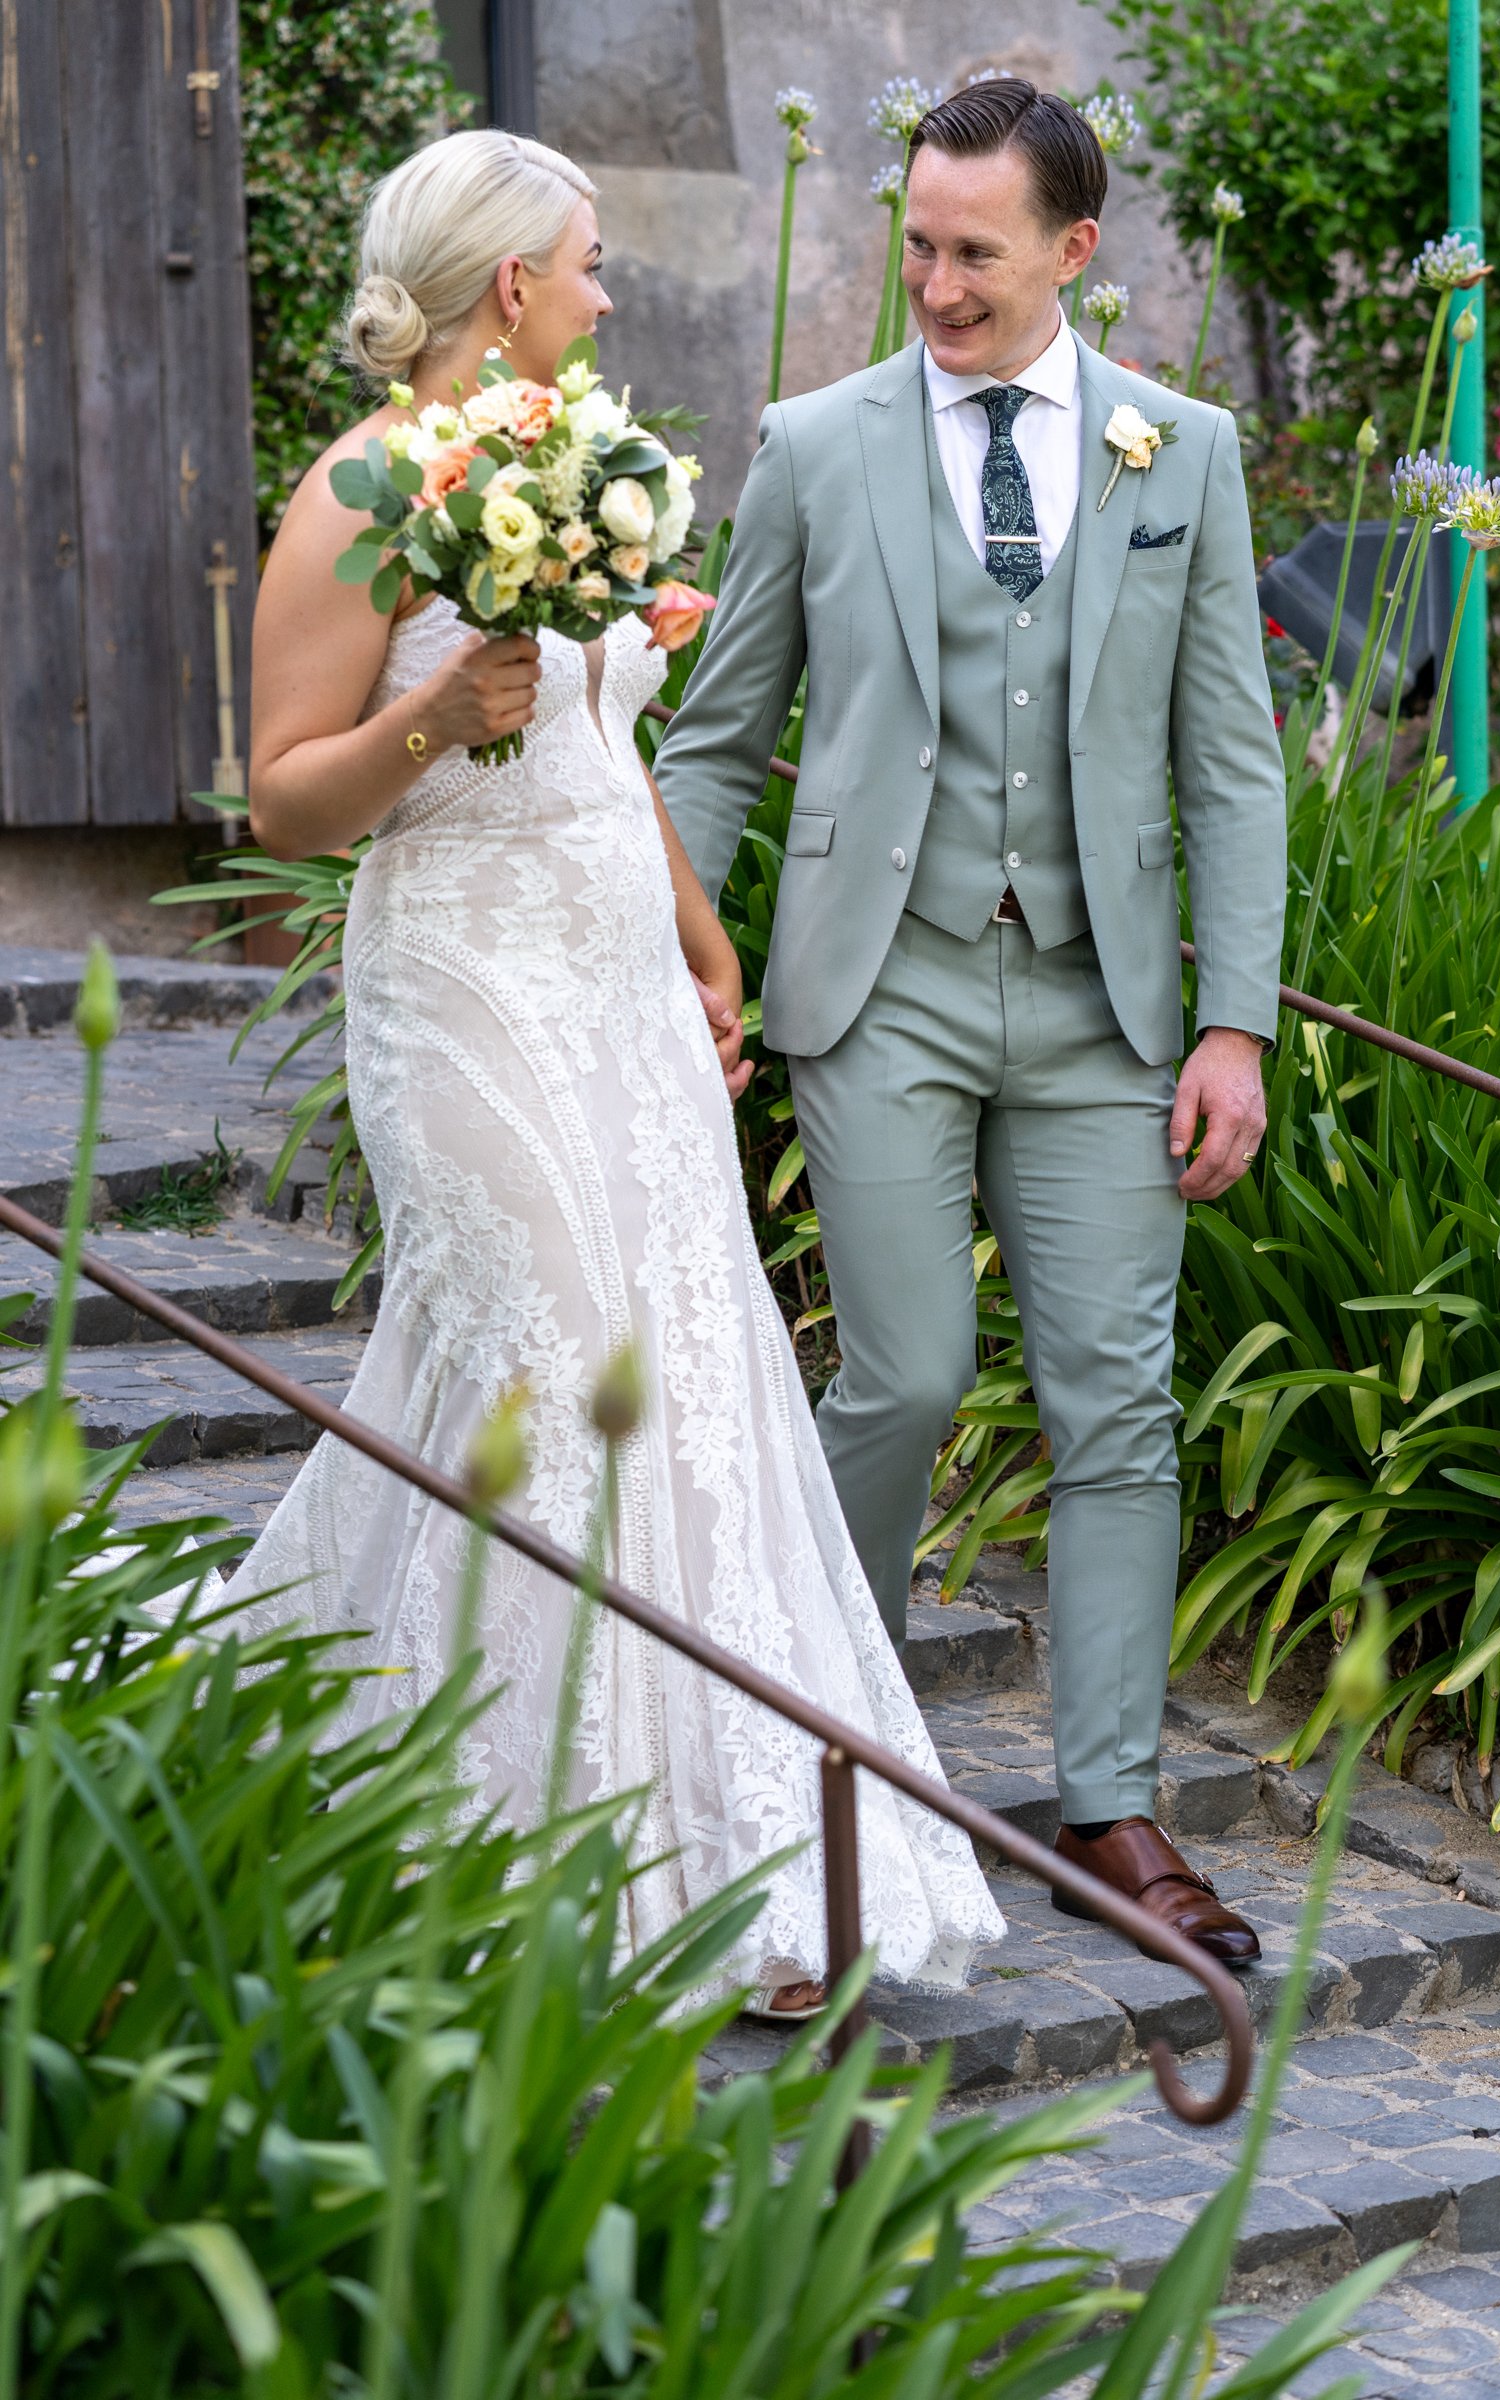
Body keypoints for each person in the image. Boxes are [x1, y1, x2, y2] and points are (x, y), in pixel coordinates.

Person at [231, 127, 1004, 2012]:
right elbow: (285, 795)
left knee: (681, 1366)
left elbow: (593, 731)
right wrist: (430, 716)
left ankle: (717, 1846)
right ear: (509, 286)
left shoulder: (578, 467)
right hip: (464, 981)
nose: (602, 295)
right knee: (563, 1371)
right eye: (585, 266)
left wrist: (697, 929)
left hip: (618, 982)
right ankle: (532, 1860)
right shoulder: (359, 489)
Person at [654, 79, 1287, 1964]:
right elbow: (715, 737)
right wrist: (670, 956)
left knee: (1117, 1407)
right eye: (916, 243)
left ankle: (1111, 1807)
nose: (933, 284)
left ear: (1074, 251)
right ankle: (822, 1772)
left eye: (973, 252)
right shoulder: (814, 443)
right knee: (906, 1376)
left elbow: (1235, 763)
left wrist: (1233, 1023)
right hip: (883, 985)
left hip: (1109, 1003)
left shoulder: (1186, 452)